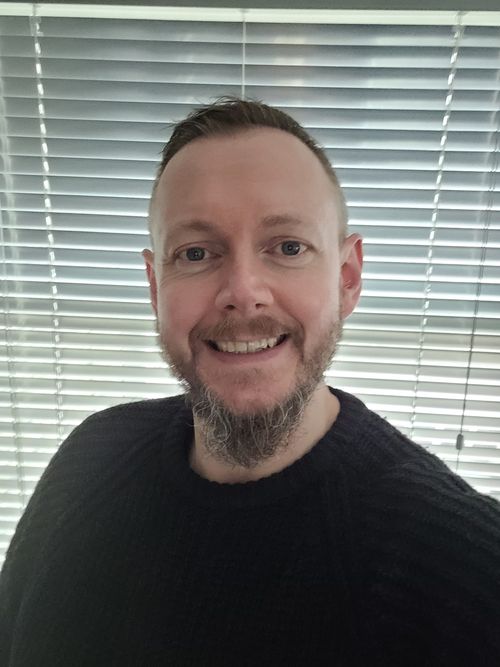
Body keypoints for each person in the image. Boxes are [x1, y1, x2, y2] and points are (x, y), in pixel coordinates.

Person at [0, 97, 499, 667]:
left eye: (288, 247)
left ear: (347, 278)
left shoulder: (468, 573)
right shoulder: (90, 456)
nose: (242, 291)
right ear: (156, 286)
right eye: (195, 252)